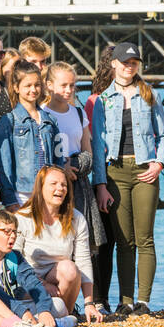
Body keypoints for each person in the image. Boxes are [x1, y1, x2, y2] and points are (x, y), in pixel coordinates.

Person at [91, 41, 164, 317]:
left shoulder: (149, 95)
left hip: (144, 170)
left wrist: (159, 164)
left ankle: (144, 301)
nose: (129, 66)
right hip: (115, 173)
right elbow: (97, 146)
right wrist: (100, 185)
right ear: (113, 64)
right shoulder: (103, 100)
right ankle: (125, 301)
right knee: (124, 241)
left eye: (134, 62)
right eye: (125, 62)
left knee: (145, 238)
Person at [43, 61, 106, 293]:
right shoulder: (42, 114)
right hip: (52, 186)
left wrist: (76, 164)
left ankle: (90, 299)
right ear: (49, 85)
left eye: (72, 86)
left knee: (82, 241)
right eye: (63, 85)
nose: (68, 91)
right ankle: (62, 296)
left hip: (78, 184)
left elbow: (88, 150)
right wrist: (61, 169)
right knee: (58, 243)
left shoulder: (79, 114)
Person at [14, 166, 102, 326]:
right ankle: (56, 318)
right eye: (53, 184)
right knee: (52, 305)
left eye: (64, 185)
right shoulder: (22, 217)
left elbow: (83, 261)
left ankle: (62, 314)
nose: (60, 188)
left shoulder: (76, 218)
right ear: (40, 187)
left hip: (60, 284)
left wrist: (89, 303)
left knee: (70, 268)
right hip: (28, 283)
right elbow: (14, 260)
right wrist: (43, 284)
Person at [0, 60, 64, 209]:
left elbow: (59, 159)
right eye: (28, 85)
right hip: (22, 193)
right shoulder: (9, 121)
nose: (33, 89)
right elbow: (4, 165)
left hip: (49, 191)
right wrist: (10, 200)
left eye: (37, 85)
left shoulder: (50, 120)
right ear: (16, 87)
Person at [85, 44, 118, 312]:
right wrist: (99, 183)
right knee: (101, 240)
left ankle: (107, 297)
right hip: (103, 175)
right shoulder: (96, 101)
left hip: (119, 174)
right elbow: (94, 145)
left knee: (114, 240)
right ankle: (98, 298)